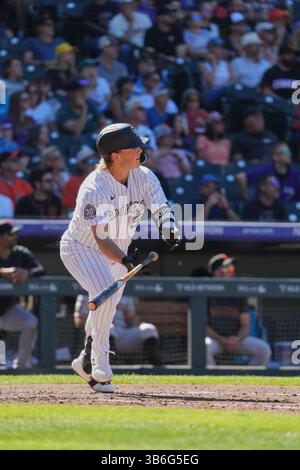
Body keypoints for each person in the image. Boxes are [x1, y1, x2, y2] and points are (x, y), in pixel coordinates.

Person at [60, 123, 180, 393]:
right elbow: (101, 238)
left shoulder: (145, 176)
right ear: (115, 155)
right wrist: (126, 260)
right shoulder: (93, 187)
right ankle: (99, 360)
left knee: (108, 304)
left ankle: (84, 360)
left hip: (118, 250)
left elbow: (160, 206)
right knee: (105, 292)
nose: (141, 149)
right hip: (81, 248)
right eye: (134, 146)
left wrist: (169, 228)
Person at [206, 253, 271, 366]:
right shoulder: (205, 292)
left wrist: (237, 339)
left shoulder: (237, 293)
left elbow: (245, 325)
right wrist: (222, 340)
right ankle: (212, 381)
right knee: (204, 347)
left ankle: (248, 381)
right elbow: (201, 327)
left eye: (232, 269)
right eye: (228, 269)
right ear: (216, 272)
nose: (231, 272)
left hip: (236, 340)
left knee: (264, 349)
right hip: (215, 339)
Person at [0, 221, 45, 369]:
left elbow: (40, 270)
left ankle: (21, 365)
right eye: (10, 234)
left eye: (15, 234)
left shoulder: (20, 252)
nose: (14, 237)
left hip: (7, 309)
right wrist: (2, 271)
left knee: (30, 322)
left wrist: (27, 272)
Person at [73, 294, 160, 364]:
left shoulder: (124, 291)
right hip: (98, 336)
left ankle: (154, 366)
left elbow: (131, 321)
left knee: (149, 329)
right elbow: (78, 322)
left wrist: (138, 321)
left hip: (122, 333)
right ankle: (106, 365)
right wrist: (98, 325)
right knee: (109, 327)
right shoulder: (86, 293)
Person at [62, 145, 98, 211]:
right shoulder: (72, 183)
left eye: (96, 161)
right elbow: (69, 205)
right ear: (81, 165)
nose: (95, 165)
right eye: (91, 162)